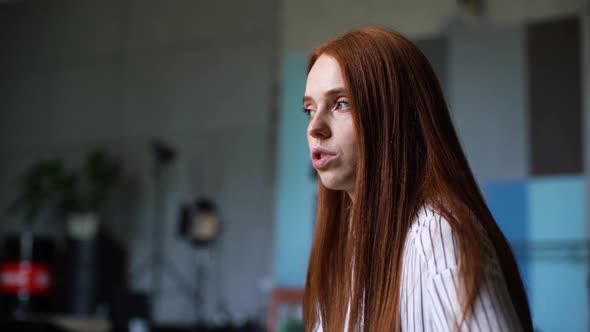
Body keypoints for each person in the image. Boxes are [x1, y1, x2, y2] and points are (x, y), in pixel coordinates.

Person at [301, 26, 533, 332]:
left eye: (341, 103)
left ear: (393, 114)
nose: (314, 128)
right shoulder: (347, 245)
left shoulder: (437, 235)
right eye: (310, 109)